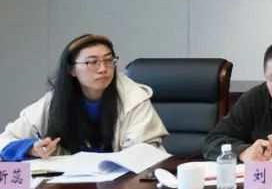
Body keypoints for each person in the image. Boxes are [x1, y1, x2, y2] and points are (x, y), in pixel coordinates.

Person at [0, 34, 168, 160]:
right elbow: (5, 140)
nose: (103, 69)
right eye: (92, 62)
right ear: (72, 70)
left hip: (125, 185)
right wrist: (31, 148)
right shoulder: (54, 102)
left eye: (108, 60)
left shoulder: (134, 98)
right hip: (70, 186)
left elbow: (142, 153)